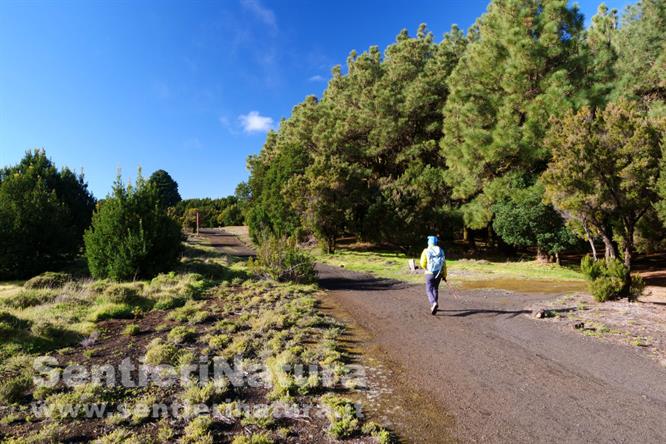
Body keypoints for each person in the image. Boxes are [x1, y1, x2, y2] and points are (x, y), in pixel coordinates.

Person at [419, 235, 446, 315]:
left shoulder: (426, 251)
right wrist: (444, 275)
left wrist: (425, 268)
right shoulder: (441, 250)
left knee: (429, 289)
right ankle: (435, 304)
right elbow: (444, 264)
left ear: (429, 242)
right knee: (435, 289)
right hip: (439, 273)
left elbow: (422, 263)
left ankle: (433, 303)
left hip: (429, 273)